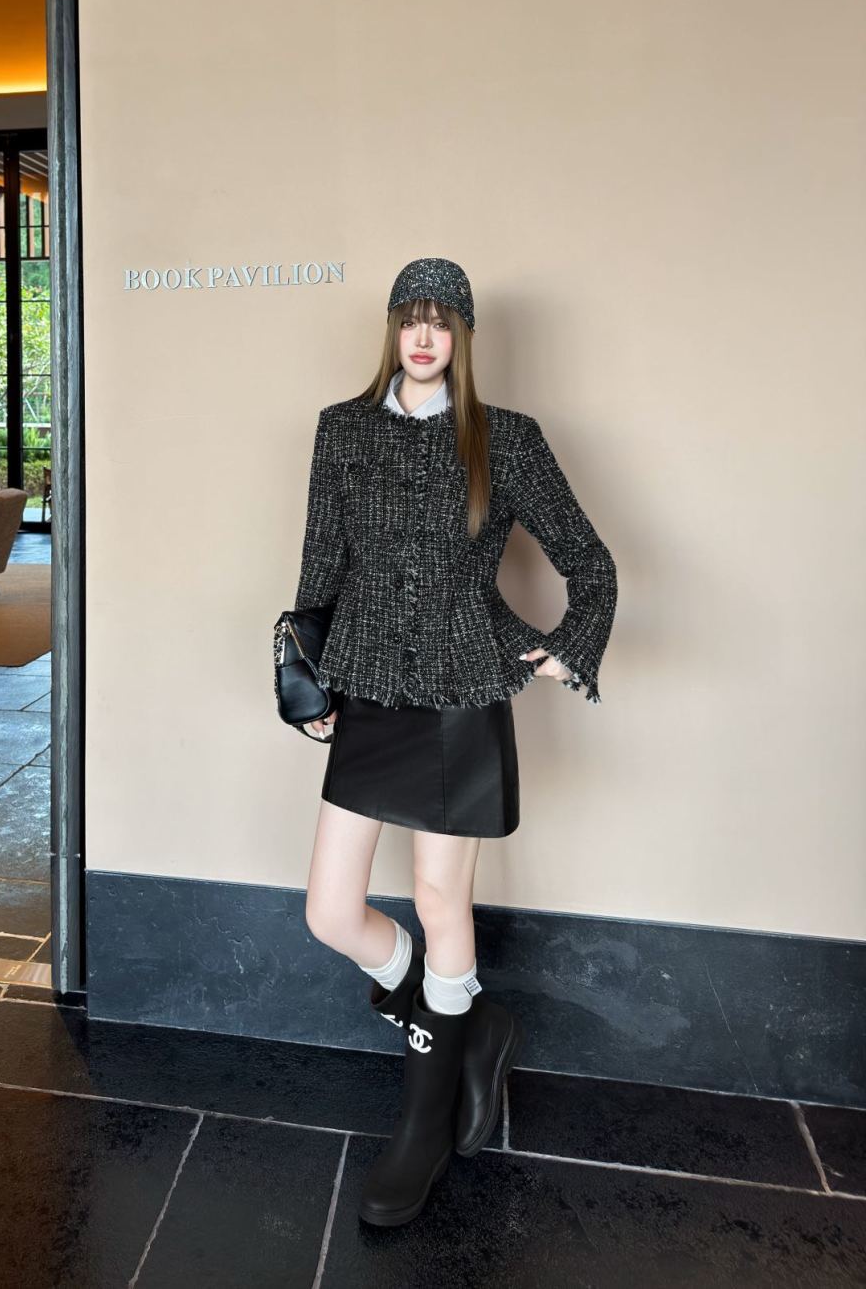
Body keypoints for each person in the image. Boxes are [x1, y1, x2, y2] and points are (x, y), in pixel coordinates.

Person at [295, 255, 618, 1228]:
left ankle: (423, 1125)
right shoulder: (342, 429)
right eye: (411, 319)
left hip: (461, 692)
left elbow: (590, 563)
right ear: (392, 330)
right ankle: (471, 1024)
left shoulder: (504, 438)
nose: (425, 337)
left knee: (441, 902)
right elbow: (319, 566)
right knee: (330, 911)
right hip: (368, 689)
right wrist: (310, 677)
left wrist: (567, 646)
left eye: (442, 322)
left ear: (463, 336)